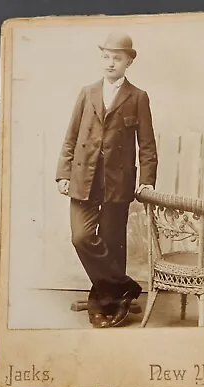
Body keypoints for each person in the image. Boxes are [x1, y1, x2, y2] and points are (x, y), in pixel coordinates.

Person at [56, 32, 158, 328]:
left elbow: (147, 144)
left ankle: (109, 305)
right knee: (81, 237)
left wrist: (148, 179)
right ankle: (123, 285)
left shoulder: (138, 97)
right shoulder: (87, 92)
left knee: (113, 244)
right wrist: (63, 172)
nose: (110, 62)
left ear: (128, 62)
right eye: (106, 57)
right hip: (83, 177)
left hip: (118, 182)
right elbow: (71, 137)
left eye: (117, 58)